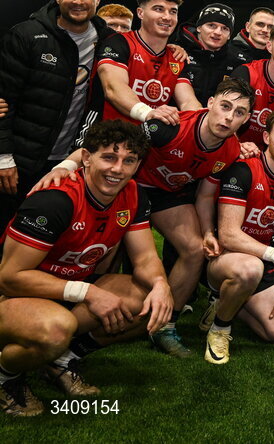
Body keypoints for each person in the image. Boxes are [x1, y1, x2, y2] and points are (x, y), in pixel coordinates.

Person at [33, 78, 255, 358]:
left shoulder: (231, 149)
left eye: (238, 113)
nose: (228, 117)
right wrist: (66, 165)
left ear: (246, 119)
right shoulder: (169, 126)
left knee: (193, 248)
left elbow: (205, 196)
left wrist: (209, 232)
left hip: (168, 195)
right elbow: (115, 145)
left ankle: (165, 324)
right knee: (104, 256)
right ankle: (76, 316)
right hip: (128, 187)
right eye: (225, 106)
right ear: (210, 103)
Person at [0, 121, 173, 413]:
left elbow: (144, 258)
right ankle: (6, 376)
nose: (118, 168)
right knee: (57, 329)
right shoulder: (55, 200)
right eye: (109, 157)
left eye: (129, 160)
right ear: (87, 157)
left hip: (64, 292)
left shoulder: (132, 193)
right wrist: (88, 292)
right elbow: (9, 278)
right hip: (12, 296)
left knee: (149, 302)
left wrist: (162, 286)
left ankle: (60, 361)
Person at [0, 0, 113, 227]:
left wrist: (176, 47)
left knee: (45, 236)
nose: (78, 2)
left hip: (68, 160)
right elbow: (3, 101)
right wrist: (4, 158)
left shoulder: (108, 41)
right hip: (19, 160)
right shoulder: (27, 35)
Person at [198, 109, 274, 364]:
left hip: (265, 260)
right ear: (267, 137)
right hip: (226, 259)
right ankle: (220, 328)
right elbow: (228, 235)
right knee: (250, 268)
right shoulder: (243, 170)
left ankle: (228, 302)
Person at [88, 0, 201, 128]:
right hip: (104, 134)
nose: (167, 17)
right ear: (140, 13)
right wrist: (148, 113)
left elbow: (187, 102)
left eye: (173, 12)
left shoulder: (176, 57)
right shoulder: (119, 42)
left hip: (146, 138)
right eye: (158, 9)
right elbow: (113, 88)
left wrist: (205, 123)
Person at [177, 3, 241, 105]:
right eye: (211, 25)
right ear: (199, 27)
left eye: (225, 28)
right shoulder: (178, 52)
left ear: (229, 35)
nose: (218, 32)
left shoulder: (236, 62)